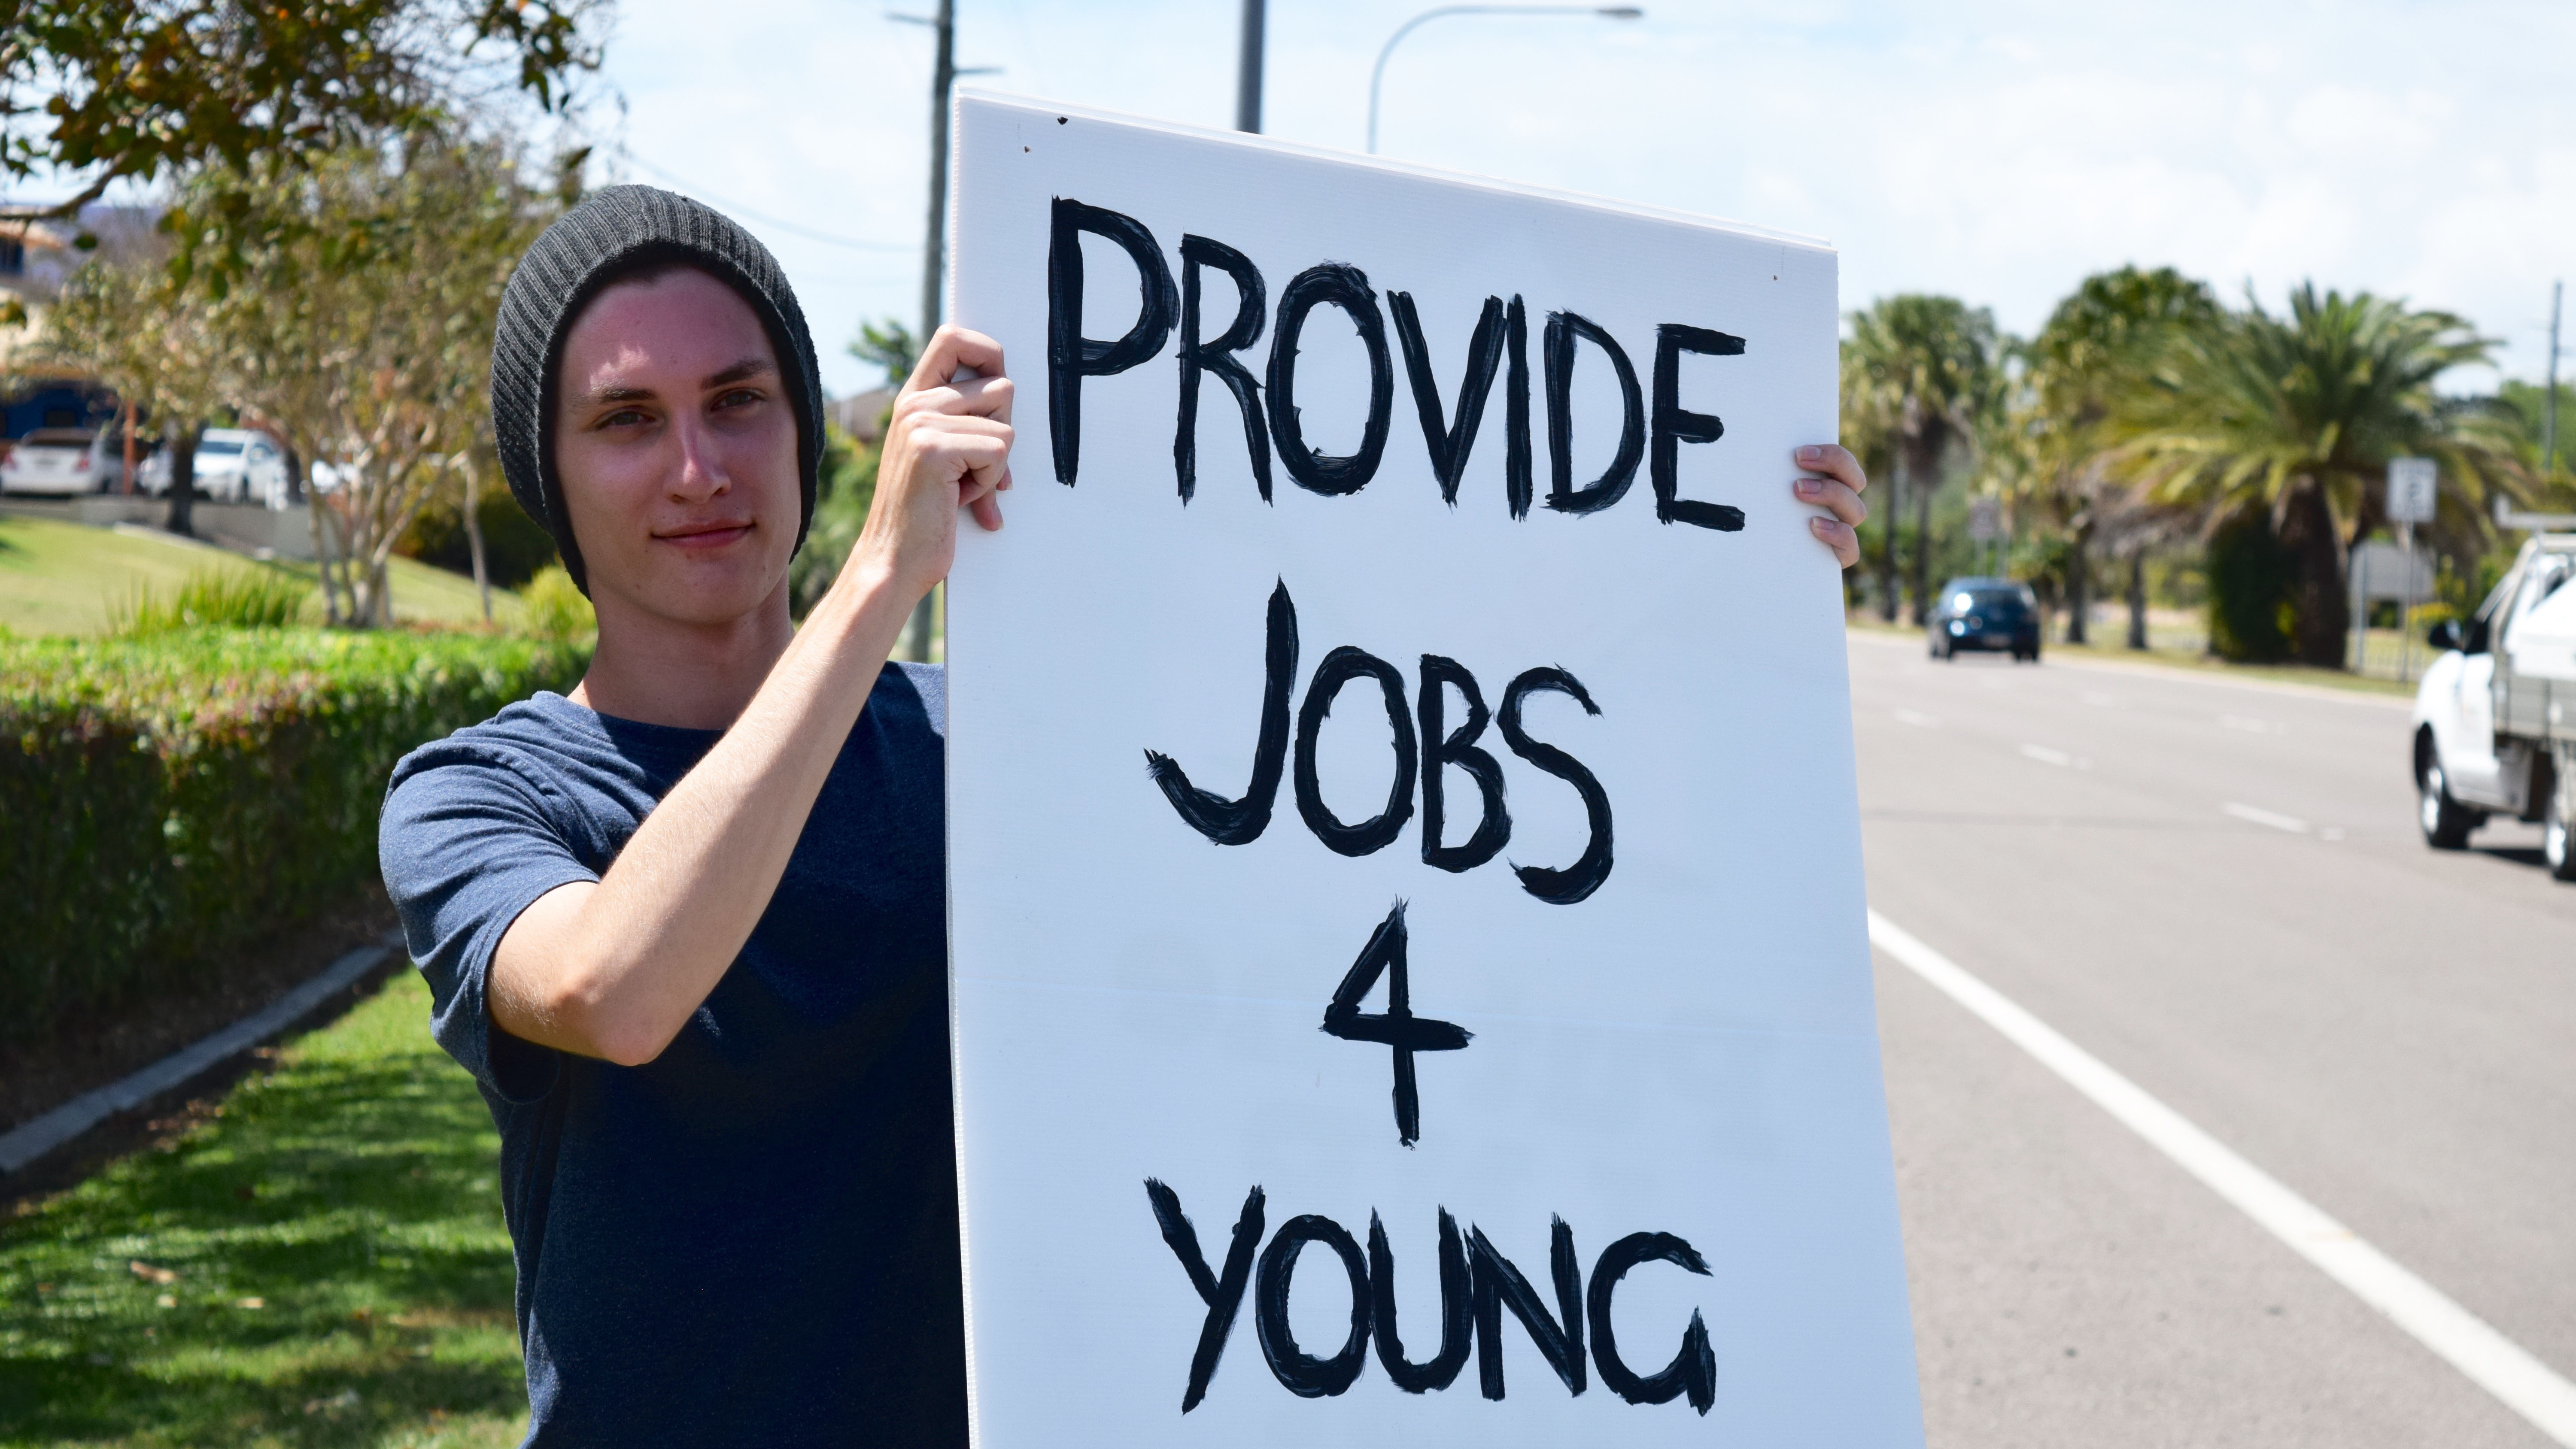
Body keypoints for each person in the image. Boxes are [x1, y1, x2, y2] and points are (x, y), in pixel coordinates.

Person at [378, 184, 1870, 1445]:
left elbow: (1403, 829)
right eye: (627, 421)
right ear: (549, 479)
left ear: (802, 434)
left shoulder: (1000, 745)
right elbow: (616, 988)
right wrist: (880, 588)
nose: (698, 468)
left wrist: (1727, 580)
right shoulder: (482, 794)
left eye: (739, 402)